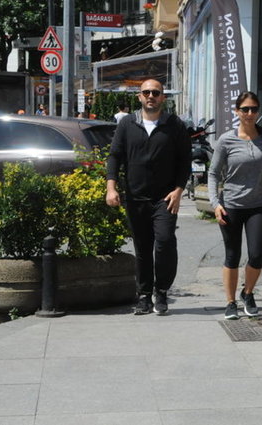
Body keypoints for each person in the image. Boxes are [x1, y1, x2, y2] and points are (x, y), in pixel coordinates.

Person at [106, 79, 191, 315]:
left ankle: (161, 290)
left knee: (164, 241)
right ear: (139, 97)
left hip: (165, 198)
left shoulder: (174, 125)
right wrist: (111, 187)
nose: (150, 96)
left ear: (163, 97)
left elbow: (185, 160)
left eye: (155, 92)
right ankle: (144, 295)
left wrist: (179, 190)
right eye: (146, 92)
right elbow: (115, 156)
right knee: (142, 248)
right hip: (136, 197)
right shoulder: (127, 124)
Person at [207, 91, 262, 320]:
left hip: (257, 205)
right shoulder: (226, 140)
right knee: (232, 255)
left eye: (254, 109)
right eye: (245, 109)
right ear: (236, 111)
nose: (250, 113)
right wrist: (215, 204)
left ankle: (247, 293)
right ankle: (230, 302)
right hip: (231, 206)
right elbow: (213, 173)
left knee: (257, 255)